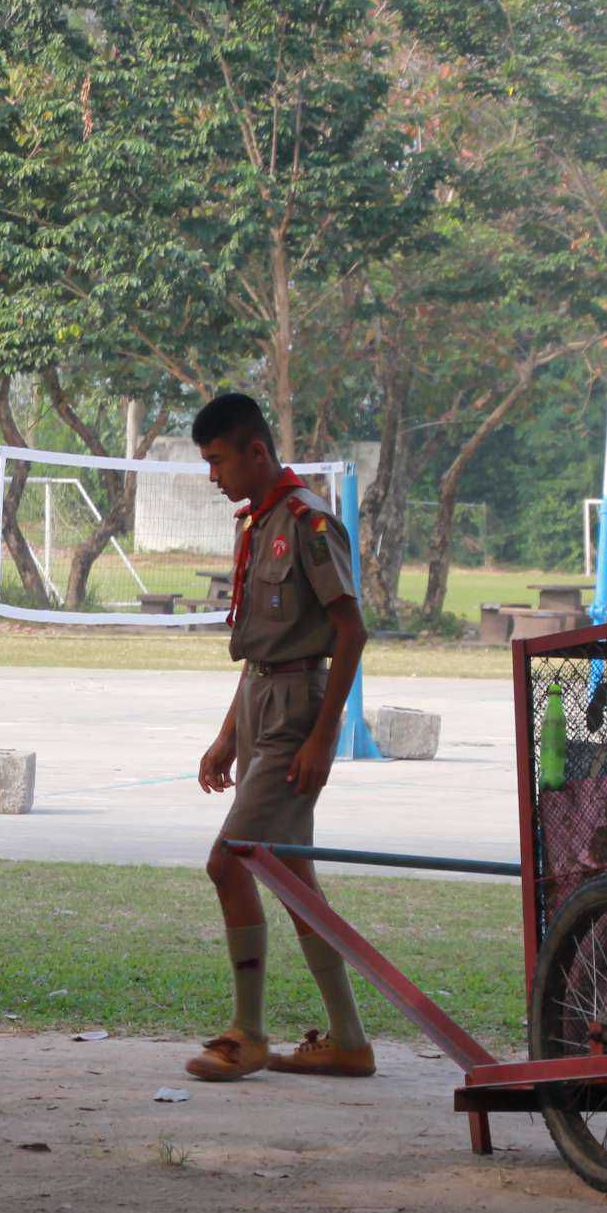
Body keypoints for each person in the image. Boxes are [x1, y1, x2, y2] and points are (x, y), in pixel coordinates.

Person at [185, 391, 374, 1084]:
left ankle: (249, 1032)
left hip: (298, 711)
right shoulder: (258, 523)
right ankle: (348, 1040)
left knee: (229, 862)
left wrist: (323, 738)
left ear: (257, 451)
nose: (214, 477)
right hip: (260, 701)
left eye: (219, 461)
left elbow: (351, 632)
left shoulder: (308, 522)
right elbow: (259, 648)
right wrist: (226, 736)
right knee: (293, 878)